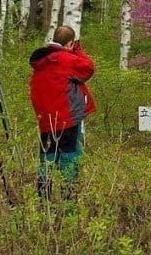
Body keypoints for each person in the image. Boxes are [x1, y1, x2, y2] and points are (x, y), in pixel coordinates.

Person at [29, 26, 95, 200]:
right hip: (68, 119)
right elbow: (88, 68)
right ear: (69, 43)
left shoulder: (41, 61)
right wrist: (77, 51)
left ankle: (44, 202)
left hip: (46, 120)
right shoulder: (68, 59)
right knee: (69, 160)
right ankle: (69, 202)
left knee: (47, 160)